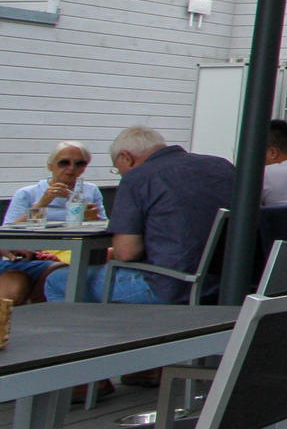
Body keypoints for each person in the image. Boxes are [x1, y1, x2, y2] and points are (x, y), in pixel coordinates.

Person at [44, 126, 235, 303]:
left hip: (171, 285)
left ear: (126, 158)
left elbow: (127, 253)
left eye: (118, 170)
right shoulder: (222, 166)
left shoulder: (138, 177)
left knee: (57, 281)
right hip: (229, 282)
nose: (121, 175)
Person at [0, 140, 104, 306]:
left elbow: (103, 226)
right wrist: (43, 203)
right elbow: (9, 231)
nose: (71, 168)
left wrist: (93, 218)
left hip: (75, 253)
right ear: (51, 166)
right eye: (64, 163)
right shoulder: (28, 193)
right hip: (31, 256)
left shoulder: (90, 191)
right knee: (57, 272)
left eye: (79, 164)